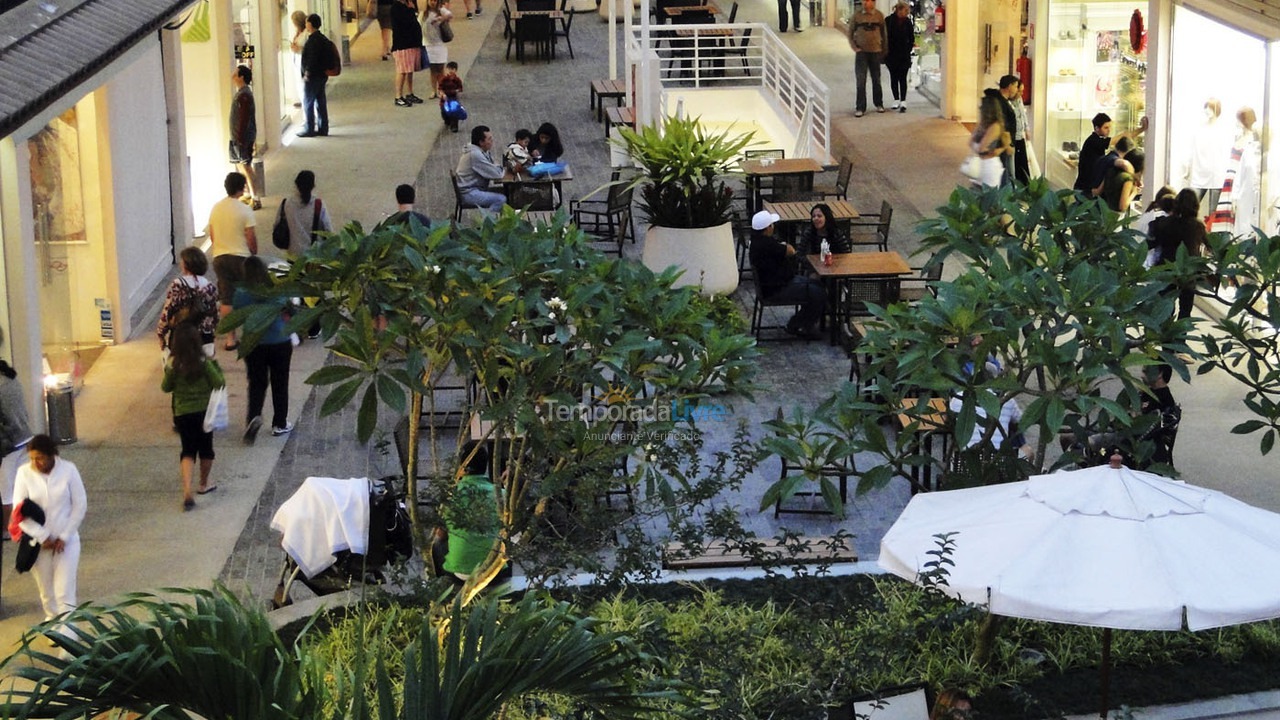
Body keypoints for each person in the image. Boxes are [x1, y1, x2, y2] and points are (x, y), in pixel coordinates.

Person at [13, 434, 87, 624]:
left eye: (40, 458)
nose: (35, 463)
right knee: (47, 592)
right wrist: (43, 536)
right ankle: (53, 621)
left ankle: (69, 639)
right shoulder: (23, 473)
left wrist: (65, 536)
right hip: (39, 545)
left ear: (51, 455)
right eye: (31, 458)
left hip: (66, 542)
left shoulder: (69, 470)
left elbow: (80, 505)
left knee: (64, 593)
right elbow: (19, 513)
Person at [161, 324, 226, 511]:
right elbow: (219, 382)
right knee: (206, 449)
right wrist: (215, 364)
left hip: (183, 413)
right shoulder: (204, 363)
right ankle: (204, 483)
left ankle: (187, 489)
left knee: (187, 451)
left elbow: (165, 388)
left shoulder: (174, 365)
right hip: (204, 413)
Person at [233, 257, 294, 443]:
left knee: (257, 383)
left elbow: (238, 315)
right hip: (280, 341)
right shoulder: (277, 289)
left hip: (253, 343)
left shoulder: (241, 293)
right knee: (280, 383)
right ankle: (280, 423)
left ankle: (253, 417)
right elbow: (290, 311)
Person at [748, 209, 825, 339]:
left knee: (816, 284)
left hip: (773, 285)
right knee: (818, 292)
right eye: (772, 225)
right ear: (767, 228)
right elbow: (790, 250)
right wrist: (783, 246)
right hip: (778, 289)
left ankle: (807, 322)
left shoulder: (756, 242)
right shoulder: (767, 244)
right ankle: (797, 324)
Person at [207, 172, 258, 351]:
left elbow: (212, 236)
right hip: (241, 257)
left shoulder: (216, 208)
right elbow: (251, 238)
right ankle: (251, 334)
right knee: (249, 294)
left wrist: (221, 248)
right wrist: (254, 254)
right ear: (241, 187)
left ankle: (230, 338)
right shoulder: (245, 210)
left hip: (220, 257)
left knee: (226, 298)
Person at [440, 441, 503, 581]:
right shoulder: (500, 494)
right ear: (486, 465)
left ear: (462, 467)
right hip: (494, 570)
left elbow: (441, 534)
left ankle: (442, 582)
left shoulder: (451, 495)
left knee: (438, 542)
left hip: (459, 572)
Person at [1149, 188, 1206, 320]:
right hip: (1188, 271)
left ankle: (1166, 336)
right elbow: (1211, 246)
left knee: (1165, 307)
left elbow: (1151, 243)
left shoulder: (1164, 223)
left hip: (1166, 267)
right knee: (1185, 309)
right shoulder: (1197, 226)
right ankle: (1181, 336)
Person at [156, 246, 220, 357]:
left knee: (180, 368)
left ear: (186, 265)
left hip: (181, 333)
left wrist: (161, 333)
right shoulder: (210, 286)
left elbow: (168, 311)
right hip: (204, 336)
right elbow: (213, 315)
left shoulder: (177, 285)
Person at [0, 339, 33, 524]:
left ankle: (10, 527)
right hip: (23, 438)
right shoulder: (9, 378)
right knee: (20, 487)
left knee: (6, 492)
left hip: (9, 445)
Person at [228, 65, 262, 209]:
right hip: (238, 136)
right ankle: (248, 193)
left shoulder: (244, 95)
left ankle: (255, 196)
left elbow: (244, 117)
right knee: (241, 165)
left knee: (246, 166)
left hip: (242, 137)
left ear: (241, 77)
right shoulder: (242, 93)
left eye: (235, 73)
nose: (232, 75)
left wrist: (241, 137)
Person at [280, 170, 333, 259]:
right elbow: (328, 229)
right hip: (315, 256)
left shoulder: (286, 204)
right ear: (313, 186)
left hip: (293, 255)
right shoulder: (318, 205)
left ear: (296, 184)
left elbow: (278, 225)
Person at [455, 125, 507, 213]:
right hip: (469, 193)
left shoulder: (482, 150)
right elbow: (497, 174)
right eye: (489, 139)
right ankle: (487, 224)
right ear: (481, 142)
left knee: (507, 193)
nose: (492, 141)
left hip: (475, 188)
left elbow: (493, 166)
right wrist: (498, 168)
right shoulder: (475, 155)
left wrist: (496, 167)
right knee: (501, 199)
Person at [848, 0, 887, 117]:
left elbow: (884, 34)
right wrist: (854, 47)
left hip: (875, 51)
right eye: (864, 1)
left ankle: (879, 103)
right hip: (862, 52)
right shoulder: (857, 16)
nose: (865, 3)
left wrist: (884, 49)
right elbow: (850, 32)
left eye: (868, 1)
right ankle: (860, 107)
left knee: (876, 79)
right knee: (861, 80)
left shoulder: (879, 16)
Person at [299, 14, 332, 138]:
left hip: (313, 76)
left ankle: (309, 128)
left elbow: (311, 59)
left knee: (308, 102)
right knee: (320, 101)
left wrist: (307, 73)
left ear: (310, 24)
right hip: (322, 75)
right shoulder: (322, 38)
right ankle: (323, 127)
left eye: (307, 22)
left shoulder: (313, 41)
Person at [971, 90, 1011, 188]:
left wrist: (1000, 149)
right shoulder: (985, 124)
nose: (980, 108)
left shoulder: (994, 127)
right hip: (982, 164)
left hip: (989, 167)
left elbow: (979, 147)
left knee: (987, 196)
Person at [390, 0, 423, 107]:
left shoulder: (408, 4)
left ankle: (410, 93)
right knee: (402, 70)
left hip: (412, 43)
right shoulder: (397, 7)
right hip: (402, 44)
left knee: (410, 69)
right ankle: (398, 96)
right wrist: (411, 9)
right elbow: (405, 22)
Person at [998, 75, 1030, 184]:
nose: (1019, 92)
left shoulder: (1017, 101)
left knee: (1019, 164)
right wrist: (1007, 144)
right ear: (1010, 86)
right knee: (1009, 167)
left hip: (1016, 137)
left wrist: (1026, 128)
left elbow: (1022, 115)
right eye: (1017, 88)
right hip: (1009, 140)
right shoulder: (1004, 103)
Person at [884, 2, 914, 113]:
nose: (906, 13)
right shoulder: (888, 21)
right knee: (894, 77)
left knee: (903, 77)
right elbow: (885, 36)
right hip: (891, 54)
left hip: (904, 54)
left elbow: (911, 37)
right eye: (905, 11)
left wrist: (909, 49)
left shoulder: (908, 22)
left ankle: (903, 100)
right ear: (899, 10)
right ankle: (896, 98)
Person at [1097, 148, 1144, 214]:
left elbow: (1098, 191)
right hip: (1115, 217)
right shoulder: (1127, 179)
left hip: (1104, 211)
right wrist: (1134, 192)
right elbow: (1122, 207)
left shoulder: (1112, 170)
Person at [421, 0, 453, 98]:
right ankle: (433, 90)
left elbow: (450, 15)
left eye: (434, 0)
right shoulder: (423, 14)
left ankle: (442, 89)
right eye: (430, 0)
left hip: (439, 44)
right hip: (428, 44)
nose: (432, 2)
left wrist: (441, 18)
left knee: (440, 69)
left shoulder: (441, 10)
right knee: (432, 70)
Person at [438, 61, 464, 132]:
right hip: (445, 99)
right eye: (449, 69)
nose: (450, 71)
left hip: (453, 98)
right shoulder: (443, 79)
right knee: (444, 111)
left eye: (452, 69)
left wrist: (457, 91)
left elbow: (460, 88)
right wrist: (442, 94)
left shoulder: (457, 80)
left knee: (454, 111)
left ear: (455, 70)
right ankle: (447, 120)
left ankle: (454, 126)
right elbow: (440, 88)